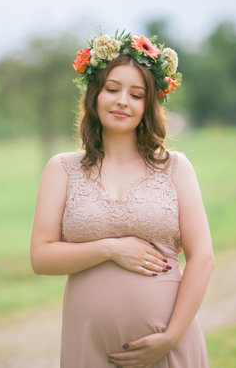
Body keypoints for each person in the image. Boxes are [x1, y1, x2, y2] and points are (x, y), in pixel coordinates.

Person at [30, 31, 214, 367]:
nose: (122, 101)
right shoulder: (61, 169)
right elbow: (41, 258)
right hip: (87, 342)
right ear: (94, 95)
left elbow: (202, 258)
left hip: (166, 344)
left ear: (148, 104)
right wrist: (110, 249)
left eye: (136, 94)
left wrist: (171, 338)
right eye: (112, 89)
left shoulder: (175, 168)